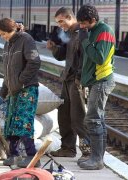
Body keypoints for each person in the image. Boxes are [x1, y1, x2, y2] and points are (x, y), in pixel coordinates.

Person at [0, 18, 41, 168]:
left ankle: (32, 156)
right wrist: (2, 93)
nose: (3, 37)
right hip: (14, 90)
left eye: (3, 34)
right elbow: (8, 73)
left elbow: (34, 62)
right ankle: (13, 155)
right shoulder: (8, 44)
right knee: (11, 123)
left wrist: (21, 81)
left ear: (11, 30)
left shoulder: (26, 39)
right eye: (0, 35)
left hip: (27, 88)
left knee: (23, 122)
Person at [46, 7, 90, 161]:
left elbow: (87, 59)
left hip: (77, 81)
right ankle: (67, 148)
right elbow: (62, 55)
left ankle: (88, 151)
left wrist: (80, 78)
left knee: (78, 117)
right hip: (67, 79)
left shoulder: (82, 33)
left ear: (69, 17)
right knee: (64, 115)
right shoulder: (69, 34)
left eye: (61, 21)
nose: (60, 25)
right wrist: (54, 48)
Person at [76, 4, 116, 170]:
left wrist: (85, 41)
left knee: (93, 119)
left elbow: (99, 58)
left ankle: (96, 159)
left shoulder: (104, 31)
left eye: (84, 23)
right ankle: (96, 157)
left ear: (93, 20)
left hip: (102, 80)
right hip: (94, 81)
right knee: (98, 119)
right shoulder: (92, 30)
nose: (81, 27)